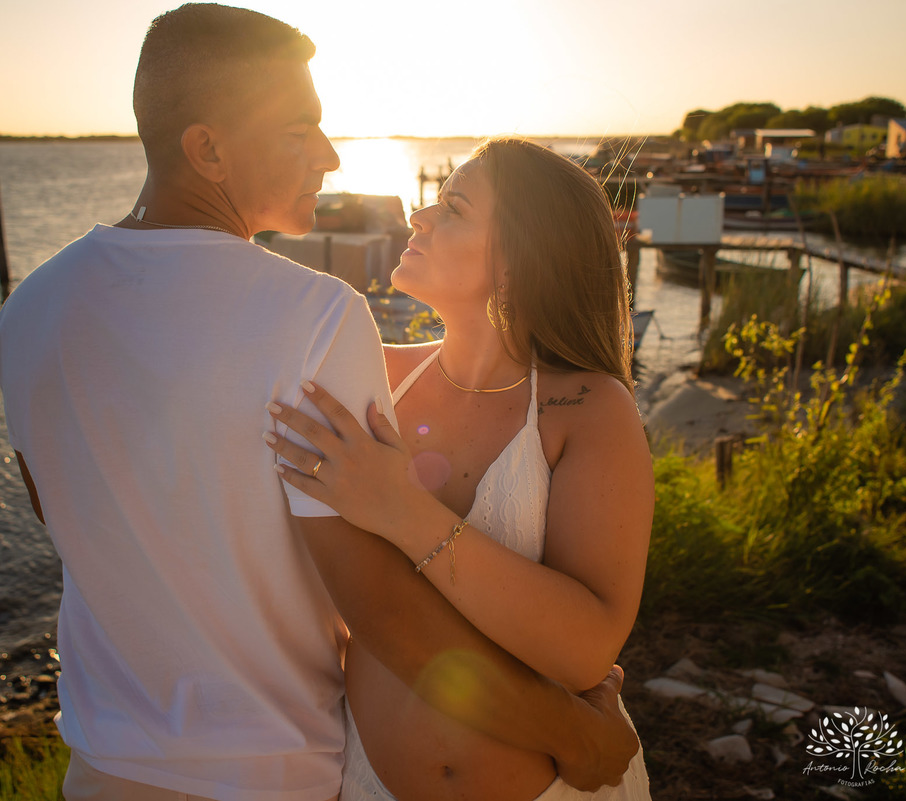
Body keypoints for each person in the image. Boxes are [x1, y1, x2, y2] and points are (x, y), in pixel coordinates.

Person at [0, 5, 638, 800]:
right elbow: (384, 610)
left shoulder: (27, 312)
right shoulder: (316, 317)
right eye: (300, 130)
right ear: (208, 149)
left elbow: (65, 514)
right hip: (271, 772)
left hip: (104, 766)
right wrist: (576, 733)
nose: (330, 156)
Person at [266, 137, 654, 800]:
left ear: (517, 261)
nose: (418, 216)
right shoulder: (377, 378)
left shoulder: (586, 408)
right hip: (364, 784)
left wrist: (404, 511)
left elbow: (586, 649)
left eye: (453, 209)